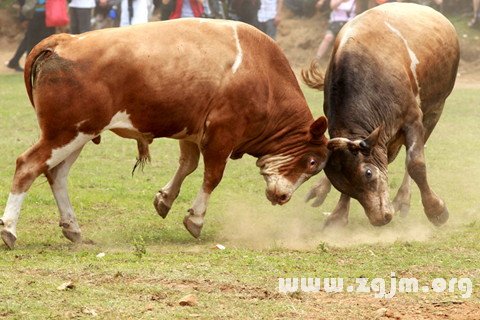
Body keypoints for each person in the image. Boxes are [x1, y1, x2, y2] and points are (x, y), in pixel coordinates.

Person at [5, 0, 28, 72]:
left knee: (28, 39)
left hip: (29, 14)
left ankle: (14, 61)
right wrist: (24, 18)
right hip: (29, 15)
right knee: (29, 39)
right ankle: (14, 61)